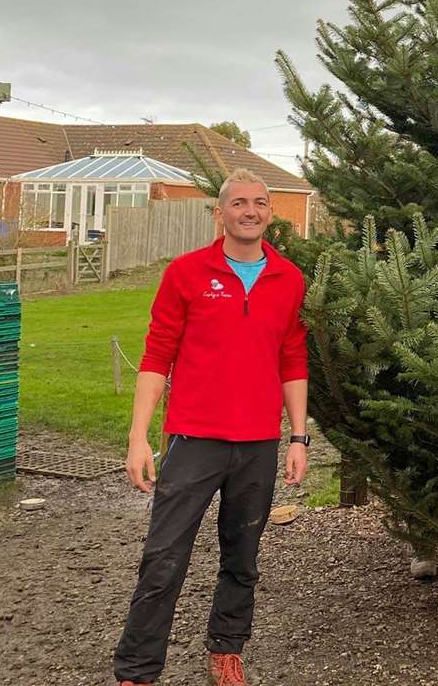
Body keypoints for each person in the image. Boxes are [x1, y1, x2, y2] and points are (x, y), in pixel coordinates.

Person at [113, 169, 310, 686]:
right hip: (195, 440)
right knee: (163, 559)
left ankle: (227, 649)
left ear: (270, 213)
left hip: (258, 444)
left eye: (260, 203)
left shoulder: (288, 279)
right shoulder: (187, 273)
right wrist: (138, 438)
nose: (251, 211)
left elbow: (292, 358)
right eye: (239, 203)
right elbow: (157, 356)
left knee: (243, 556)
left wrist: (297, 436)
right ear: (219, 213)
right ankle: (137, 670)